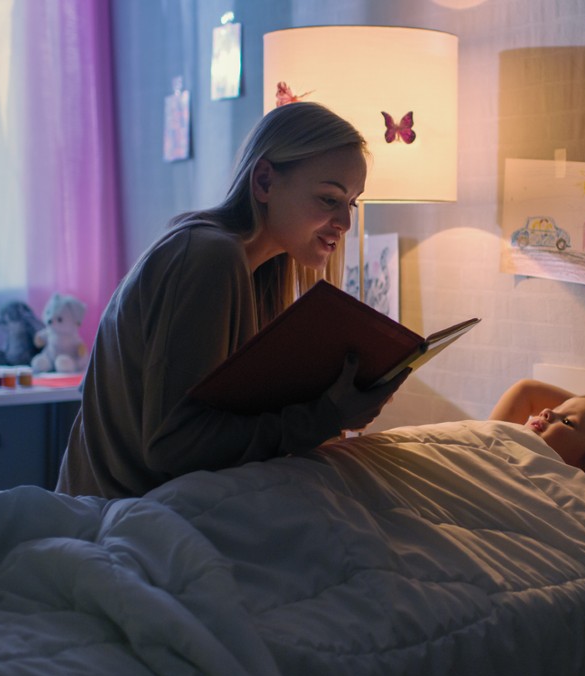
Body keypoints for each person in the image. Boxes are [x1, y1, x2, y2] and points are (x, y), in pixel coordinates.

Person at [56, 102, 409, 499]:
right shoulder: (207, 258)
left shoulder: (253, 270)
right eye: (329, 199)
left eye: (352, 203)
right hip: (120, 520)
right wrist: (325, 416)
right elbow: (173, 446)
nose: (345, 222)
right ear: (263, 182)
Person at [489, 372, 585, 496]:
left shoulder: (561, 494)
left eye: (567, 422)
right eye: (556, 409)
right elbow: (526, 390)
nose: (546, 411)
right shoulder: (495, 439)